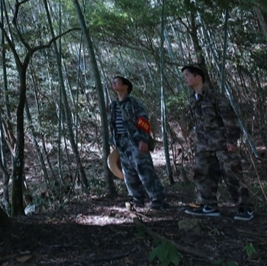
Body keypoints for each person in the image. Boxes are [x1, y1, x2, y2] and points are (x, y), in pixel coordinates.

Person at [181, 65, 253, 221]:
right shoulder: (192, 99)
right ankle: (209, 206)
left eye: (187, 75)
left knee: (232, 174)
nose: (185, 78)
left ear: (198, 77)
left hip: (222, 143)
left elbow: (230, 119)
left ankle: (245, 208)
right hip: (203, 145)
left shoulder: (215, 97)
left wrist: (232, 140)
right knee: (202, 174)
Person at [108, 76, 167, 210]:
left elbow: (144, 121)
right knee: (128, 172)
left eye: (117, 81)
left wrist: (143, 139)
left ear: (126, 86)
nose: (114, 83)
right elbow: (113, 125)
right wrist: (115, 141)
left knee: (144, 169)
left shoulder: (134, 103)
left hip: (135, 140)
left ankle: (158, 199)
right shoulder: (113, 105)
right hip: (122, 143)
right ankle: (137, 199)